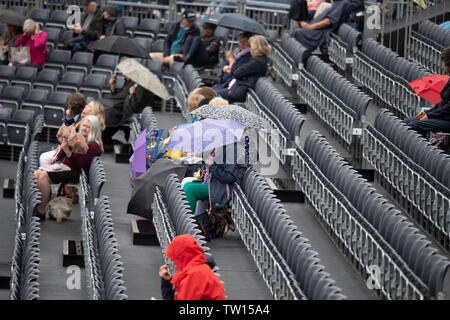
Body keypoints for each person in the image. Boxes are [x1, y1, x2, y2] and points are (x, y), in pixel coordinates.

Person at [34, 115, 103, 220]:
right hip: (66, 167)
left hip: (77, 172)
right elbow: (65, 147)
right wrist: (56, 157)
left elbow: (80, 164)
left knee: (43, 176)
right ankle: (39, 204)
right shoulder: (79, 137)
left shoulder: (94, 146)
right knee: (37, 173)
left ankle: (41, 211)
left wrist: (68, 153)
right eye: (83, 125)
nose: (84, 128)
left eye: (88, 127)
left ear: (94, 129)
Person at [159, 234, 226, 300]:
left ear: (182, 257)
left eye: (175, 259)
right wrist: (166, 282)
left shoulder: (195, 275)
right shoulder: (195, 271)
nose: (174, 263)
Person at [403, 47, 450, 136]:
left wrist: (429, 116)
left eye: (443, 62)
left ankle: (421, 148)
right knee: (406, 122)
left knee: (414, 125)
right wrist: (427, 113)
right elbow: (443, 103)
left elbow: (448, 108)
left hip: (447, 119)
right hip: (444, 117)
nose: (442, 65)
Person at [101, 73, 155, 149]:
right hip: (119, 108)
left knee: (108, 112)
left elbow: (136, 106)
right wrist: (113, 87)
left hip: (125, 112)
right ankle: (105, 141)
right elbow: (119, 97)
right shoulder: (129, 82)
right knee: (103, 107)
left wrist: (132, 94)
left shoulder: (141, 87)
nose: (123, 75)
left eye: (125, 73)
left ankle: (105, 142)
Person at [289, 0, 354, 60]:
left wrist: (310, 26)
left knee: (298, 32)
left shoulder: (344, 3)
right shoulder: (337, 3)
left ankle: (297, 59)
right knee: (296, 30)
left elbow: (329, 21)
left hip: (321, 32)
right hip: (316, 29)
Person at [215, 35, 269, 103]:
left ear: (256, 47)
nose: (250, 49)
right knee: (207, 94)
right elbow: (237, 70)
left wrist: (232, 59)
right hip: (236, 89)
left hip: (238, 92)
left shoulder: (257, 61)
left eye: (251, 46)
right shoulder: (257, 59)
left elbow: (236, 73)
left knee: (208, 96)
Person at [39, 93, 87, 168]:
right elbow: (60, 134)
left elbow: (65, 135)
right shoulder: (74, 117)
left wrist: (62, 145)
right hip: (64, 147)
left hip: (70, 152)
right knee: (42, 150)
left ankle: (46, 176)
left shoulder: (81, 121)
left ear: (71, 107)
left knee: (43, 156)